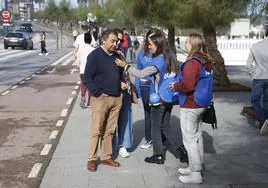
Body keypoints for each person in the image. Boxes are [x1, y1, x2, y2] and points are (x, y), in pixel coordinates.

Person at [115, 33, 180, 165]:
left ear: (158, 45)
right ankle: (182, 151)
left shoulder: (158, 61)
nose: (149, 47)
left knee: (155, 129)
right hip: (170, 98)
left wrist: (125, 66)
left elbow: (141, 73)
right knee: (166, 127)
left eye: (151, 44)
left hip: (159, 99)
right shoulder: (171, 58)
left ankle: (158, 156)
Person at [170, 33, 213, 184]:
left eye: (187, 42)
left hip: (191, 104)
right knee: (197, 137)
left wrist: (175, 85)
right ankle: (196, 166)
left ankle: (196, 174)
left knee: (189, 139)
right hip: (202, 104)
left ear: (193, 44)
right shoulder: (205, 60)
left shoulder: (192, 62)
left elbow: (187, 85)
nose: (185, 44)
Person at [84, 29, 123, 172]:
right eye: (113, 41)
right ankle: (92, 159)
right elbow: (87, 77)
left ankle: (106, 156)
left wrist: (122, 83)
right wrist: (98, 93)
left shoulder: (117, 56)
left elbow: (120, 74)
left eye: (117, 41)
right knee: (97, 130)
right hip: (101, 99)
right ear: (104, 40)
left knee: (110, 131)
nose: (116, 43)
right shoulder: (94, 56)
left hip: (116, 98)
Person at [135, 28, 163, 149]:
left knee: (160, 114)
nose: (151, 41)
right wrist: (137, 90)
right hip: (146, 88)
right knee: (148, 114)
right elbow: (138, 70)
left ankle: (161, 139)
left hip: (159, 89)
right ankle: (149, 139)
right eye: (149, 38)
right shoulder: (142, 52)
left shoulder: (164, 54)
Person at [112, 28, 134, 158]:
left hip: (125, 92)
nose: (119, 42)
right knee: (111, 120)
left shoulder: (121, 53)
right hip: (111, 93)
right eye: (116, 39)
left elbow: (127, 72)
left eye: (121, 40)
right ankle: (111, 145)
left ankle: (123, 145)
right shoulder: (103, 54)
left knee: (125, 118)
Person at [245, 31, 268, 136]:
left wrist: (252, 74)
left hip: (259, 78)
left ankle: (263, 119)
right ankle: (265, 121)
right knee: (267, 101)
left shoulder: (255, 46)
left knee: (255, 100)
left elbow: (248, 65)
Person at [72, 22, 96, 108]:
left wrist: (74, 57)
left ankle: (82, 97)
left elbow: (75, 48)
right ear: (88, 28)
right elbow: (95, 46)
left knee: (83, 83)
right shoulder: (91, 40)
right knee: (91, 84)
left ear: (82, 28)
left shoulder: (78, 37)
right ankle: (89, 101)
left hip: (82, 67)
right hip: (90, 68)